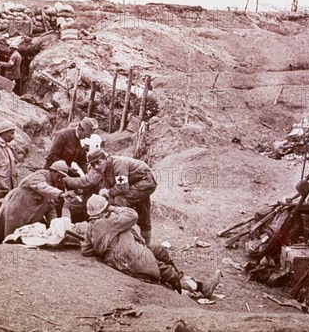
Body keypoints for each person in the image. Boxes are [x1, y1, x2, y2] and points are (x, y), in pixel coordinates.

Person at [82, 195, 219, 297]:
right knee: (162, 268)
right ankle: (199, 287)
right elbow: (132, 215)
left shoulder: (91, 227)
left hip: (131, 250)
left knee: (160, 251)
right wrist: (113, 208)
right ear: (104, 209)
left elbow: (87, 250)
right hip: (130, 256)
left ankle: (180, 281)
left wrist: (103, 247)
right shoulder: (108, 221)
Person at [64, 148, 156, 244]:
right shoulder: (103, 169)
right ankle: (145, 243)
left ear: (105, 158)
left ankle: (122, 237)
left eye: (98, 162)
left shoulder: (118, 163)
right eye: (92, 164)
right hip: (134, 183)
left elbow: (123, 187)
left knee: (121, 200)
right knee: (142, 210)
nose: (96, 166)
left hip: (146, 180)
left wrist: (108, 193)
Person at [0, 160, 74, 243]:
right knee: (10, 238)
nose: (59, 179)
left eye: (61, 178)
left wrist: (55, 225)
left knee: (25, 240)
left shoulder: (53, 184)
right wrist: (61, 194)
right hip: (16, 210)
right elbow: (43, 188)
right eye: (58, 176)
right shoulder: (39, 176)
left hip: (30, 215)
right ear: (52, 171)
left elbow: (50, 206)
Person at [45, 116, 99, 217]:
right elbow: (52, 156)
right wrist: (68, 169)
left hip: (64, 174)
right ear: (79, 129)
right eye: (86, 135)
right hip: (52, 172)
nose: (87, 137)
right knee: (49, 199)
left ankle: (57, 221)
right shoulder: (64, 135)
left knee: (60, 200)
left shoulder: (82, 141)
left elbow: (82, 160)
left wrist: (86, 176)